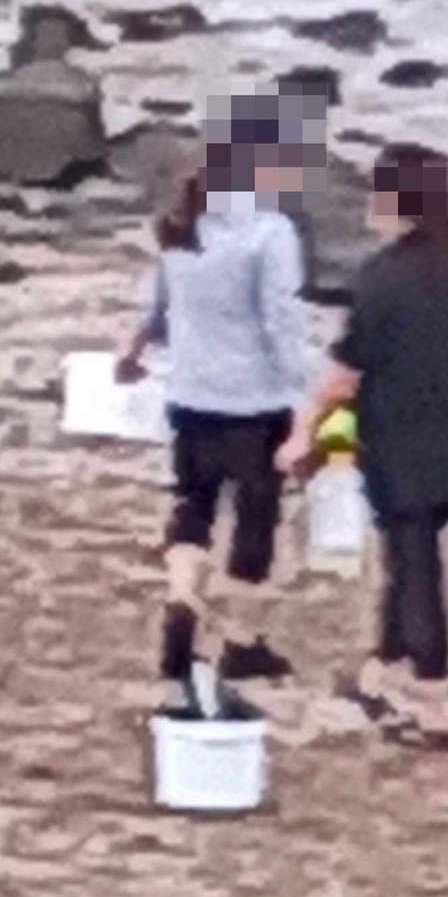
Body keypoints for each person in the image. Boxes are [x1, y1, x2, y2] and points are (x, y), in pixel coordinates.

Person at [276, 143, 448, 741]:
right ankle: (377, 675)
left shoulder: (383, 278)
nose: (371, 202)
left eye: (378, 191)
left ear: (399, 201)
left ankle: (433, 705)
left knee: (417, 567)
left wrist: (300, 437)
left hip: (397, 442)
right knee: (411, 551)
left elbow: (343, 376)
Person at [117, 95, 310, 705]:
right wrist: (304, 392)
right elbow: (280, 320)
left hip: (190, 395)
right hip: (255, 402)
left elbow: (160, 304)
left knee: (192, 511)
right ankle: (240, 641)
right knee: (254, 525)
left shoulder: (182, 221)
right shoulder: (269, 232)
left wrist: (134, 350)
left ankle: (179, 620)